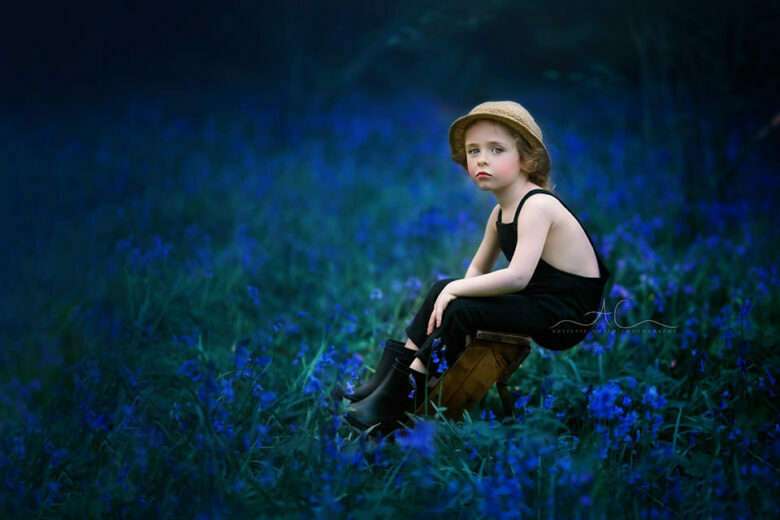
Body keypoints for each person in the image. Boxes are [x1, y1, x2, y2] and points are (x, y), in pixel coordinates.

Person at [335, 100, 611, 434]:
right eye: (473, 150)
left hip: (565, 313)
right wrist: (454, 295)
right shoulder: (499, 215)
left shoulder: (537, 204)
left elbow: (518, 276)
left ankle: (402, 395)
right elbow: (477, 271)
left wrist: (459, 295)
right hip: (538, 299)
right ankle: (390, 379)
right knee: (445, 291)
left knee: (459, 302)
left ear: (526, 158)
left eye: (496, 149)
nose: (481, 159)